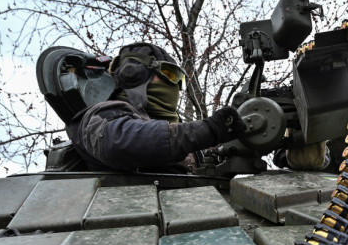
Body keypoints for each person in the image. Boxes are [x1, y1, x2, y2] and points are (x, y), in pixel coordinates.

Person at [66, 42, 245, 173]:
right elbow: (122, 142)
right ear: (135, 75)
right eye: (168, 74)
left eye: (178, 78)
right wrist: (209, 130)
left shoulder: (185, 142)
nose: (175, 85)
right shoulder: (103, 116)